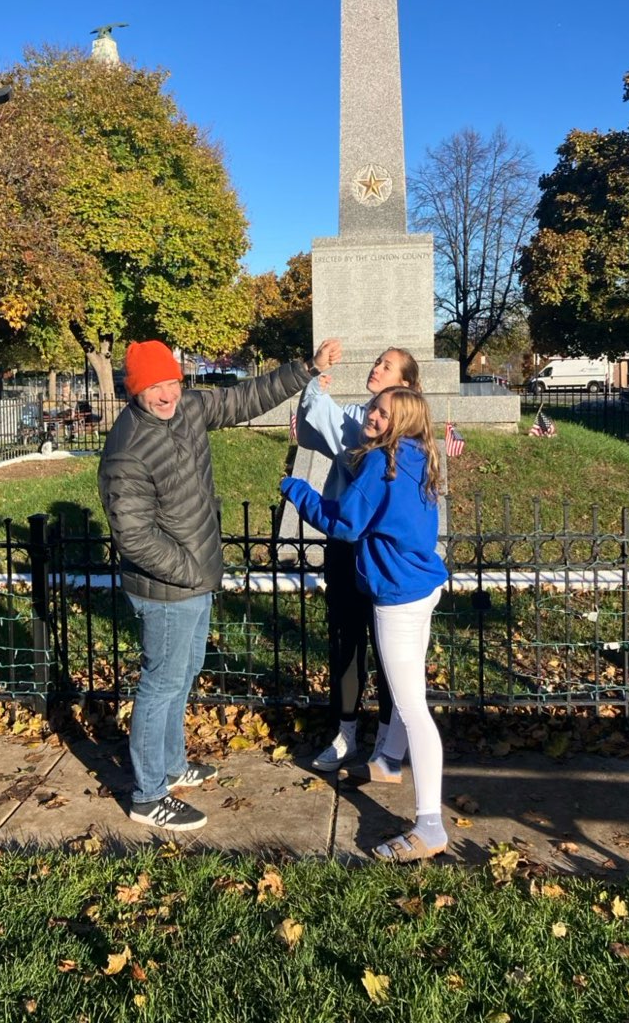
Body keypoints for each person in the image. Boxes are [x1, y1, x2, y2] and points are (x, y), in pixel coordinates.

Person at [99, 336, 342, 833]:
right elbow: (135, 537)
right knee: (161, 685)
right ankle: (148, 795)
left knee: (183, 675)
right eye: (154, 387)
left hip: (195, 576)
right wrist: (193, 572)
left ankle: (171, 767)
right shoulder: (126, 450)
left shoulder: (188, 407)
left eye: (171, 383)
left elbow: (243, 398)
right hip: (167, 587)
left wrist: (306, 368)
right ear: (134, 390)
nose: (167, 395)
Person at [282, 386, 448, 862]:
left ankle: (430, 825)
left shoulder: (380, 461)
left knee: (412, 708)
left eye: (383, 413)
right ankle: (386, 761)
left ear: (403, 422)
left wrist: (297, 490)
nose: (372, 415)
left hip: (397, 594)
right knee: (408, 689)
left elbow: (345, 524)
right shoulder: (418, 455)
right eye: (374, 408)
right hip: (422, 583)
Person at [295, 348, 420, 772]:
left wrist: (316, 397)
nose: (376, 368)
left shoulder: (410, 439)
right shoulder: (356, 416)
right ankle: (345, 733)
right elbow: (311, 431)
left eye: (387, 366)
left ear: (406, 385)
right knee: (346, 641)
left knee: (389, 651)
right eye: (377, 361)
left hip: (384, 557)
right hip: (346, 552)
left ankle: (386, 741)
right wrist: (313, 387)